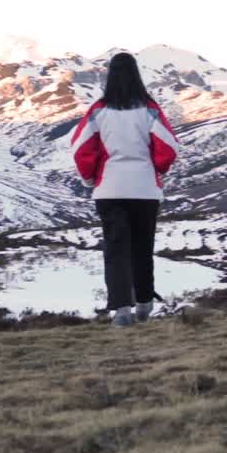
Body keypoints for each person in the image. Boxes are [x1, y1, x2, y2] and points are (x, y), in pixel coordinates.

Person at [70, 52, 180, 327]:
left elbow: (81, 147)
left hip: (109, 189)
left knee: (116, 250)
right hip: (144, 189)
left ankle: (121, 311)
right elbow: (168, 147)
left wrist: (88, 178)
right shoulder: (150, 109)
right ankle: (144, 303)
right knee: (142, 248)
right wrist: (158, 170)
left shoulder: (98, 110)